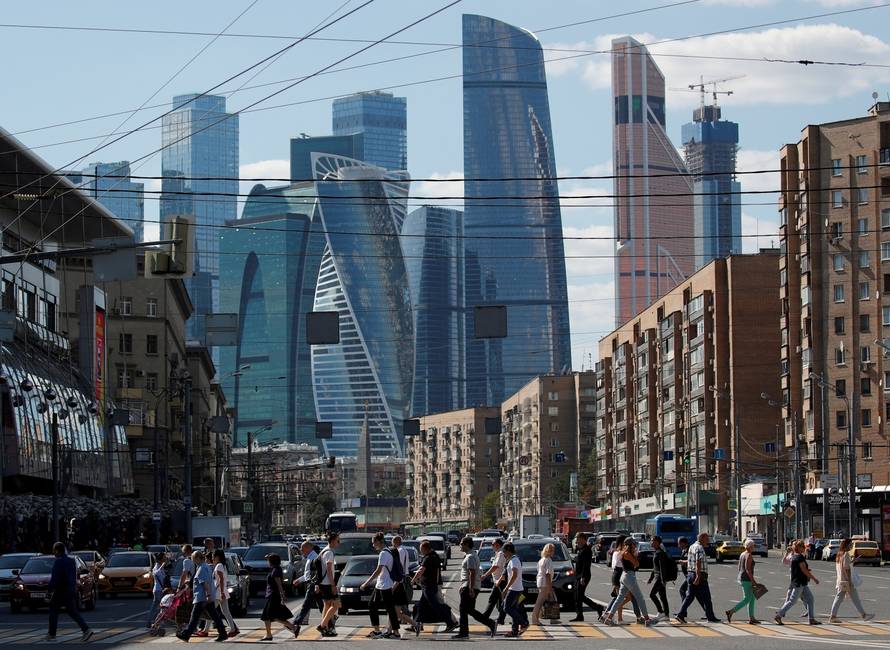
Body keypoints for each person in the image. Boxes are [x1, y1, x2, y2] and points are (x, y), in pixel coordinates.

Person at [45, 542, 93, 642]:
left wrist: (49, 592)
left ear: (57, 551)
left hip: (60, 590)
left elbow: (55, 578)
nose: (53, 553)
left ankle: (51, 634)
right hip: (71, 589)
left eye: (54, 551)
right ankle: (86, 629)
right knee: (72, 611)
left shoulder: (58, 562)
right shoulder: (71, 561)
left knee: (53, 611)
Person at [602, 538, 656, 626]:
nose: (635, 546)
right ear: (630, 545)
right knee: (640, 598)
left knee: (619, 598)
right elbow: (637, 564)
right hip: (629, 577)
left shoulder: (623, 553)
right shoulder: (627, 554)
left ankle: (609, 618)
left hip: (624, 576)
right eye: (634, 544)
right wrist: (635, 555)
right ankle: (647, 619)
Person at [176, 551, 227, 642]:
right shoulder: (206, 566)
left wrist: (208, 595)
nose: (193, 561)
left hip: (202, 597)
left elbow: (204, 583)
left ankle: (186, 635)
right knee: (214, 615)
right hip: (206, 596)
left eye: (194, 559)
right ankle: (223, 633)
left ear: (198, 558)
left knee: (194, 616)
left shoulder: (202, 568)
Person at [411, 540, 457, 634]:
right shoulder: (434, 556)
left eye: (421, 550)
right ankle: (416, 624)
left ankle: (450, 622)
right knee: (419, 606)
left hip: (429, 586)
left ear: (425, 549)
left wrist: (413, 580)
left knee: (436, 605)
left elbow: (421, 570)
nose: (421, 552)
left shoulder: (428, 558)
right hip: (427, 586)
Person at [453, 537, 497, 638]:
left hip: (469, 587)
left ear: (467, 544)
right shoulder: (470, 555)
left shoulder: (470, 557)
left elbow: (472, 573)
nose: (460, 545)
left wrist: (470, 588)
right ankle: (491, 624)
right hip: (469, 585)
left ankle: (464, 632)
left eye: (461, 544)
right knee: (470, 610)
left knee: (463, 610)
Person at [360, 532, 401, 639]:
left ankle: (395, 633)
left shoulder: (384, 553)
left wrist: (366, 583)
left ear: (378, 542)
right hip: (381, 584)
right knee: (372, 605)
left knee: (389, 608)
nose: (373, 545)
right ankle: (377, 630)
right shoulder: (387, 551)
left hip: (385, 585)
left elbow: (378, 570)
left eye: (373, 543)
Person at [675, 532, 720, 624]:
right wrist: (698, 576)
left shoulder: (692, 546)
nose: (708, 541)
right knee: (706, 597)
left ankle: (680, 614)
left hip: (691, 574)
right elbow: (698, 562)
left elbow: (691, 560)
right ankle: (710, 617)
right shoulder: (699, 548)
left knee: (690, 596)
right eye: (707, 539)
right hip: (699, 575)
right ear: (702, 538)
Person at [774, 539, 821, 626]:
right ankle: (779, 615)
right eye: (802, 546)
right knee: (792, 601)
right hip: (799, 583)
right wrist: (814, 579)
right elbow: (804, 570)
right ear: (798, 548)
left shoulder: (794, 556)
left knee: (810, 599)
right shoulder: (799, 557)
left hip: (800, 582)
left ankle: (811, 619)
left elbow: (799, 569)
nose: (804, 548)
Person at [829, 538, 874, 623]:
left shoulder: (839, 554)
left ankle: (863, 615)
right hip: (846, 581)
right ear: (847, 545)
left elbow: (843, 565)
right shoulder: (846, 554)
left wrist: (852, 561)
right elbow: (847, 569)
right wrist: (850, 582)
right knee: (842, 598)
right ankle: (833, 616)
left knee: (849, 598)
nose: (851, 546)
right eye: (851, 544)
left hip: (841, 580)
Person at [258, 553, 296, 641]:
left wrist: (282, 595)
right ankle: (268, 635)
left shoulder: (276, 570)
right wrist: (268, 556)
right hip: (271, 595)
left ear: (272, 561)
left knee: (273, 616)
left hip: (274, 595)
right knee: (266, 617)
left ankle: (293, 627)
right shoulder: (276, 569)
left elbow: (279, 584)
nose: (267, 562)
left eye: (268, 560)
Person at [606, 535, 641, 623]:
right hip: (622, 576)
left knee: (620, 598)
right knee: (629, 597)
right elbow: (635, 564)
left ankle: (611, 615)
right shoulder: (622, 553)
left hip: (617, 576)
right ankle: (613, 615)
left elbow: (614, 566)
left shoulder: (617, 552)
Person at [725, 539, 761, 624]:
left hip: (742, 577)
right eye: (753, 546)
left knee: (752, 599)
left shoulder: (742, 554)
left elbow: (739, 567)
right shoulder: (749, 555)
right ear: (749, 546)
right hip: (746, 579)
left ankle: (751, 618)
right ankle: (731, 612)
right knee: (747, 598)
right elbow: (748, 569)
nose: (754, 548)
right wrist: (753, 581)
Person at [570, 532, 603, 622]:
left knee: (579, 596)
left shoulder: (587, 550)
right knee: (577, 596)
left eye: (578, 539)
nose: (576, 541)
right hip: (578, 576)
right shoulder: (580, 549)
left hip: (583, 576)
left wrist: (583, 577)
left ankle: (598, 608)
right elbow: (578, 560)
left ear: (583, 539)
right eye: (576, 539)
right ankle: (580, 615)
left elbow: (586, 565)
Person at [291, 540, 321, 638]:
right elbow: (307, 574)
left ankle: (296, 623)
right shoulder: (309, 557)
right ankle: (331, 620)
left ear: (309, 548)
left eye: (302, 548)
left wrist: (316, 584)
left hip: (313, 584)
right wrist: (299, 580)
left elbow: (316, 573)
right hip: (311, 583)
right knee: (321, 605)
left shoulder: (314, 557)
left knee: (306, 605)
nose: (300, 550)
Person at [501, 542, 528, 638]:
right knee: (513, 609)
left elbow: (514, 574)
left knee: (507, 608)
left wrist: (506, 588)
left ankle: (523, 623)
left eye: (504, 551)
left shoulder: (513, 560)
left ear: (508, 551)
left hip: (514, 589)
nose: (503, 554)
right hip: (517, 588)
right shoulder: (514, 559)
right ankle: (514, 631)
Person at [390, 536, 416, 631]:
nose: (392, 544)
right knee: (402, 601)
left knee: (400, 601)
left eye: (393, 542)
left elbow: (399, 564)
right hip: (405, 576)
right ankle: (404, 620)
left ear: (396, 542)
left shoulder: (399, 551)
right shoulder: (404, 550)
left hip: (401, 577)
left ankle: (410, 621)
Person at [317, 532, 340, 637]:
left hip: (323, 583)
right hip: (327, 583)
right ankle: (322, 625)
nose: (338, 543)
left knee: (327, 605)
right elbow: (329, 570)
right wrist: (333, 585)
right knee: (336, 605)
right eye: (337, 541)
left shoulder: (324, 551)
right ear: (333, 540)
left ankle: (324, 627)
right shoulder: (329, 552)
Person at [212, 550, 239, 638]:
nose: (212, 558)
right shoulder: (221, 565)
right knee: (225, 611)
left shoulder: (219, 566)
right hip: (222, 590)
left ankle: (205, 629)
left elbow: (221, 579)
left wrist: (221, 591)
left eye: (213, 556)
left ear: (218, 557)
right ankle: (233, 629)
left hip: (219, 592)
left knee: (210, 610)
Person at [480, 538, 507, 625]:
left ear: (498, 545)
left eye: (493, 544)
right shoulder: (497, 553)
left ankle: (500, 618)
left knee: (503, 600)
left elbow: (495, 566)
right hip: (497, 581)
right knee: (493, 599)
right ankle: (485, 616)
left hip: (501, 581)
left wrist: (485, 575)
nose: (492, 546)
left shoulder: (501, 554)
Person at [531, 543, 555, 625]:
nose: (553, 552)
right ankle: (535, 619)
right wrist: (550, 587)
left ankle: (549, 618)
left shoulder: (541, 560)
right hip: (545, 582)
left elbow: (539, 571)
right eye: (552, 550)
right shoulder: (548, 560)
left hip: (540, 581)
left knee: (541, 601)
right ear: (549, 551)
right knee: (540, 602)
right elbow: (548, 575)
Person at [647, 536, 670, 618]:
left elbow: (662, 567)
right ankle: (666, 615)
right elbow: (655, 567)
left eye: (652, 541)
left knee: (652, 595)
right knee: (663, 596)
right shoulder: (657, 552)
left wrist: (663, 580)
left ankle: (660, 611)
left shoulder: (660, 553)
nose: (651, 542)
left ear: (657, 542)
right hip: (658, 577)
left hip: (660, 578)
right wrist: (651, 578)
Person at [146, 552, 168, 629]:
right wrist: (162, 566)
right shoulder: (157, 566)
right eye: (164, 557)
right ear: (160, 559)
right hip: (158, 590)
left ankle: (150, 622)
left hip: (159, 589)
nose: (165, 558)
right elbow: (156, 573)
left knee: (155, 606)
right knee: (161, 607)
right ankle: (157, 623)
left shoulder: (160, 567)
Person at [677, 537, 690, 602]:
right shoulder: (684, 550)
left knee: (682, 590)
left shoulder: (690, 550)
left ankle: (683, 611)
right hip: (687, 575)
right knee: (697, 595)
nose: (678, 546)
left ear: (683, 543)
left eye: (679, 544)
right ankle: (708, 611)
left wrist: (683, 562)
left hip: (690, 575)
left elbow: (692, 561)